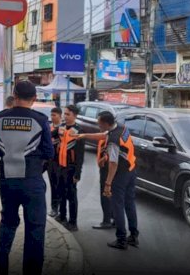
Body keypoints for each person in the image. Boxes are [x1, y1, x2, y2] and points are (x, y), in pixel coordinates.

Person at [0, 81, 54, 275]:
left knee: (8, 222)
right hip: (32, 182)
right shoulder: (41, 120)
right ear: (34, 99)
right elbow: (49, 152)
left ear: (14, 95)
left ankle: (2, 269)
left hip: (8, 180)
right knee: (35, 228)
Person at [80, 111, 138, 250]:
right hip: (131, 170)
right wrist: (84, 136)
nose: (98, 125)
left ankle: (121, 239)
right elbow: (103, 136)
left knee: (117, 206)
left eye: (99, 123)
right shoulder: (121, 128)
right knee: (129, 204)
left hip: (120, 175)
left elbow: (113, 163)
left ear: (106, 123)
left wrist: (108, 184)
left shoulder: (113, 140)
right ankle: (134, 236)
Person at [55, 105, 84, 232]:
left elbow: (80, 155)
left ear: (75, 115)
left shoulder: (79, 131)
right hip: (60, 166)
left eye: (68, 114)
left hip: (71, 168)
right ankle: (62, 217)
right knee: (60, 192)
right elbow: (51, 135)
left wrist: (78, 173)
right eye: (64, 114)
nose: (65, 116)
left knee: (71, 196)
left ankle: (73, 222)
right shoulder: (60, 127)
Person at [46, 107, 63, 218]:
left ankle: (61, 210)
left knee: (59, 185)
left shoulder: (62, 128)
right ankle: (54, 208)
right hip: (50, 161)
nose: (52, 117)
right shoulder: (49, 126)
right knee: (53, 185)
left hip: (60, 161)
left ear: (60, 116)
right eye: (51, 115)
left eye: (54, 115)